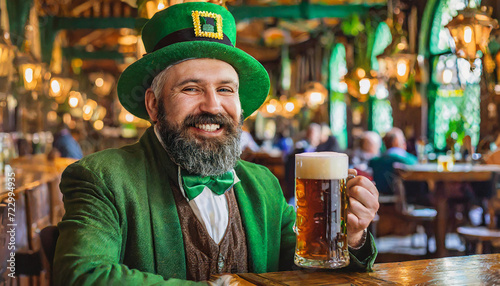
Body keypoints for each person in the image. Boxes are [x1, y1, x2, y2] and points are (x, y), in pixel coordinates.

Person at [53, 3, 379, 285]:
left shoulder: (263, 184)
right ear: (153, 105)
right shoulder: (102, 177)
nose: (212, 106)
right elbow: (82, 276)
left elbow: (306, 270)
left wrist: (351, 237)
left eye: (225, 89)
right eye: (191, 88)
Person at [369, 127, 417, 195]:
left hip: (380, 194)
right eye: (402, 140)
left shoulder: (375, 161)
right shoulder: (402, 158)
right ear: (395, 141)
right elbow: (416, 163)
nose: (404, 143)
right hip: (401, 195)